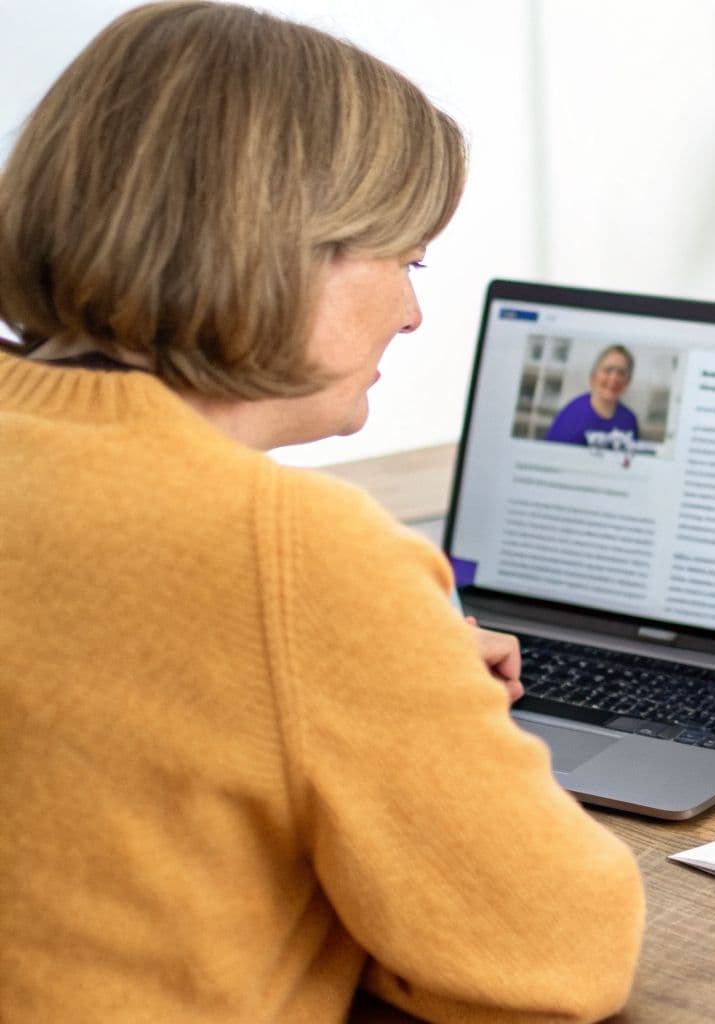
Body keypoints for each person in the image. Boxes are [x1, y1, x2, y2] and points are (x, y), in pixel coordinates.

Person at [0, 4, 643, 1021]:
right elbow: (560, 958)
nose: (413, 309)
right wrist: (405, 677)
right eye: (406, 259)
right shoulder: (296, 551)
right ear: (280, 247)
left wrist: (370, 666)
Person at [544, 344, 640, 450]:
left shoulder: (629, 420)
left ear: (628, 381)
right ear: (593, 377)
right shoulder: (572, 416)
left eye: (621, 373)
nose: (614, 378)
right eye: (608, 370)